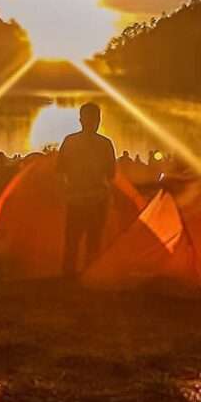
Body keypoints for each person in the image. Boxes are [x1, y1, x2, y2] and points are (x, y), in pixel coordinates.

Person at [57, 103, 116, 277]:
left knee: (72, 241)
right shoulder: (105, 144)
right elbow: (111, 173)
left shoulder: (70, 141)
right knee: (93, 240)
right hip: (97, 199)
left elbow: (60, 170)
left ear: (81, 120)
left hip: (76, 198)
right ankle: (91, 275)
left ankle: (68, 276)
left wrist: (68, 188)